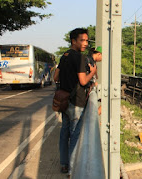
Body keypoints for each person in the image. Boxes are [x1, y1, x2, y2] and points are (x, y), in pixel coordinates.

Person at [53, 28, 97, 174]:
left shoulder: (64, 56)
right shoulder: (80, 57)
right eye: (82, 40)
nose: (85, 43)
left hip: (64, 100)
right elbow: (83, 81)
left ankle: (64, 164)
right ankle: (72, 171)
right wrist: (92, 72)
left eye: (86, 40)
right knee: (75, 136)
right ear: (74, 41)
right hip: (76, 102)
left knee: (64, 133)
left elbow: (55, 78)